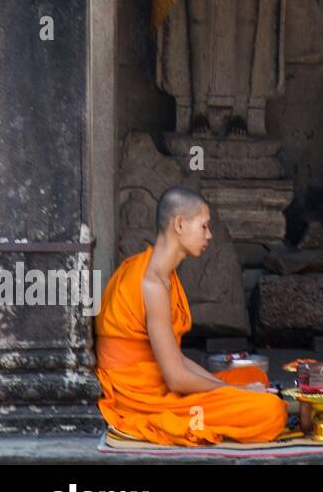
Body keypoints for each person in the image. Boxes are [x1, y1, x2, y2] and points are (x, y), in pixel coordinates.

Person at [95, 186, 287, 445]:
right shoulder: (150, 284)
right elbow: (175, 378)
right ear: (180, 224)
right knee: (270, 411)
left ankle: (238, 400)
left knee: (255, 377)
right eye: (204, 226)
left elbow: (177, 360)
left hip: (162, 381)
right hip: (143, 400)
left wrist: (241, 388)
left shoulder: (163, 275)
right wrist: (238, 392)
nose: (209, 235)